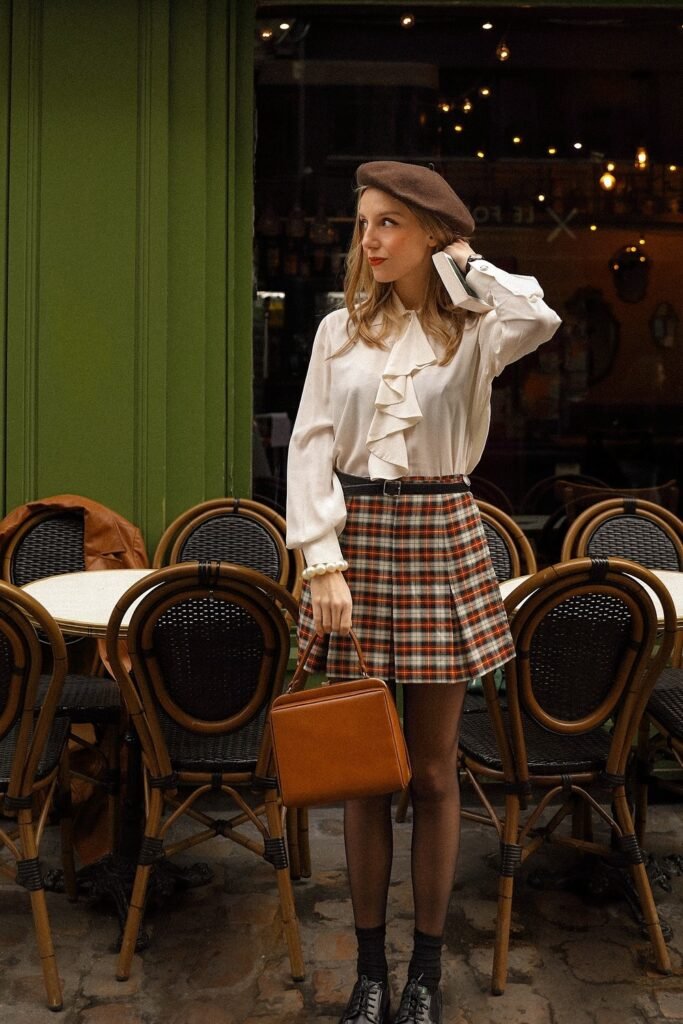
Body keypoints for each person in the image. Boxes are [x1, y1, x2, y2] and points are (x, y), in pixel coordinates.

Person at [286, 160, 561, 1024]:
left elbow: (538, 314)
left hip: (442, 536)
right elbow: (309, 445)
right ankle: (370, 972)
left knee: (435, 774)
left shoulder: (477, 328)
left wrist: (462, 263)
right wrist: (320, 561)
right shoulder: (337, 331)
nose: (369, 240)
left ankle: (425, 975)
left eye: (389, 223)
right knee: (365, 773)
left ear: (431, 236)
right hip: (356, 546)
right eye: (363, 223)